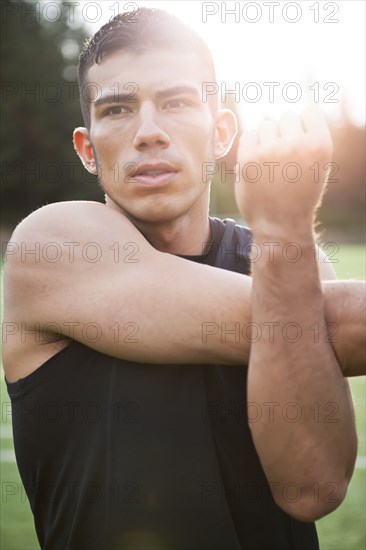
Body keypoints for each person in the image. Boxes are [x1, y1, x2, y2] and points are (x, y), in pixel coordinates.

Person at [2, 7, 365, 550]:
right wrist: (288, 251)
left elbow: (311, 491)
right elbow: (329, 322)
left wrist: (285, 233)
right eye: (119, 109)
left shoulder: (294, 259)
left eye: (174, 103)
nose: (149, 132)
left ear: (221, 132)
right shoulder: (50, 243)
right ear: (87, 150)